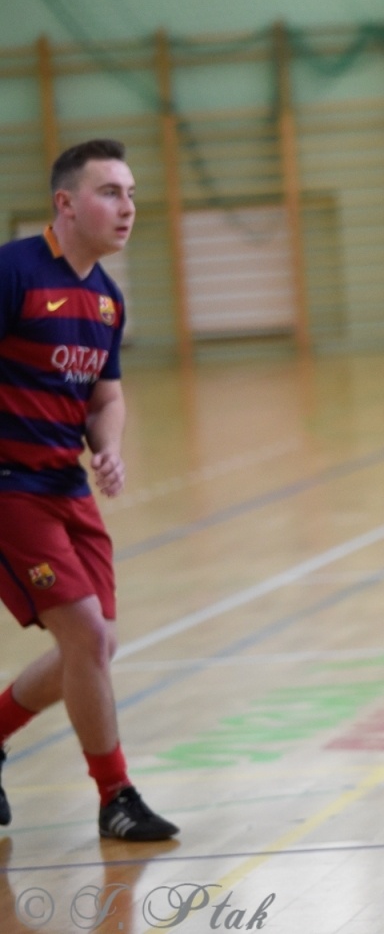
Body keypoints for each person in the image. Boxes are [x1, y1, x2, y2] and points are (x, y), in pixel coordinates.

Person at [0, 139, 178, 841]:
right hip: (10, 489)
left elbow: (107, 394)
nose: (128, 207)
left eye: (132, 194)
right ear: (65, 203)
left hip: (66, 488)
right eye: (111, 192)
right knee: (83, 631)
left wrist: (108, 446)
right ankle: (116, 796)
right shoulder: (12, 273)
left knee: (94, 647)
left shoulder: (105, 298)